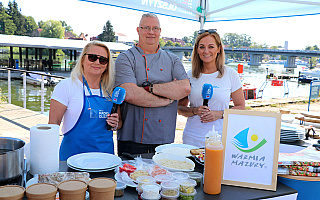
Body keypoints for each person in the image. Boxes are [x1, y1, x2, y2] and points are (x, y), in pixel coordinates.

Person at [115, 13, 191, 155]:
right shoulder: (125, 58)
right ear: (138, 30)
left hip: (164, 138)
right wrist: (167, 99)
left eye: (155, 28)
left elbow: (185, 88)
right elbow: (130, 94)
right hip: (131, 138)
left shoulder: (172, 59)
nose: (151, 32)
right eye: (146, 28)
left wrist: (150, 88)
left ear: (160, 31)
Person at [49, 41, 122, 161]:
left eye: (103, 60)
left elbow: (119, 123)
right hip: (72, 159)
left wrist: (115, 123)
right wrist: (48, 160)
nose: (97, 62)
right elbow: (52, 125)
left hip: (105, 159)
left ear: (107, 65)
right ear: (83, 60)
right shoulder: (66, 86)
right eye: (92, 58)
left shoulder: (111, 91)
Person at [178, 29, 245, 147]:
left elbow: (241, 107)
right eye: (202, 47)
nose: (206, 51)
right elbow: (180, 108)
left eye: (211, 47)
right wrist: (195, 111)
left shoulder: (230, 74)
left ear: (219, 49)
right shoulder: (189, 75)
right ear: (197, 49)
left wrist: (219, 114)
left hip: (219, 139)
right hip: (192, 138)